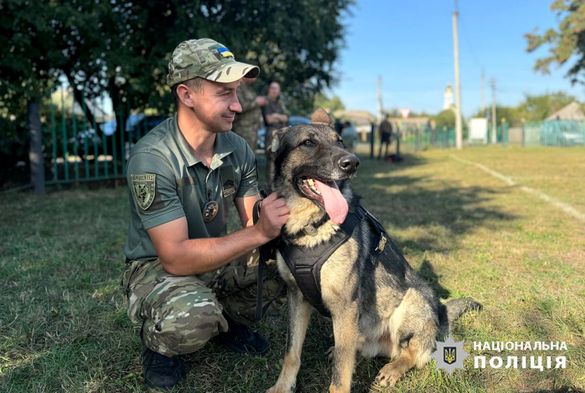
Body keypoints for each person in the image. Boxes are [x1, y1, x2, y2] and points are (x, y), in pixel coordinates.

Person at [121, 38, 290, 390]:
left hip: (213, 256)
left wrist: (282, 211)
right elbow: (176, 258)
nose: (237, 106)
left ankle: (222, 321)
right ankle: (161, 346)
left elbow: (251, 217)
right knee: (193, 317)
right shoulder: (152, 157)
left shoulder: (236, 148)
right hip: (157, 268)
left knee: (285, 268)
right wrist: (259, 233)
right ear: (186, 95)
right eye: (224, 93)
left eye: (237, 93)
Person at [261, 80, 288, 187]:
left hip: (282, 135)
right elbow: (269, 120)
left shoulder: (280, 103)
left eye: (276, 88)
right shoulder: (266, 102)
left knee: (281, 160)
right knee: (271, 162)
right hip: (271, 135)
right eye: (272, 88)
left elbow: (286, 118)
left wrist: (276, 115)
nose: (274, 90)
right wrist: (278, 117)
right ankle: (270, 188)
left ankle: (278, 187)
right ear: (269, 89)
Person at [231, 78, 267, 150]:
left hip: (252, 130)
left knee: (250, 155)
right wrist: (257, 102)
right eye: (252, 75)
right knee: (242, 154)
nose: (255, 78)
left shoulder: (248, 88)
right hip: (243, 129)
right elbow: (240, 106)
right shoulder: (238, 87)